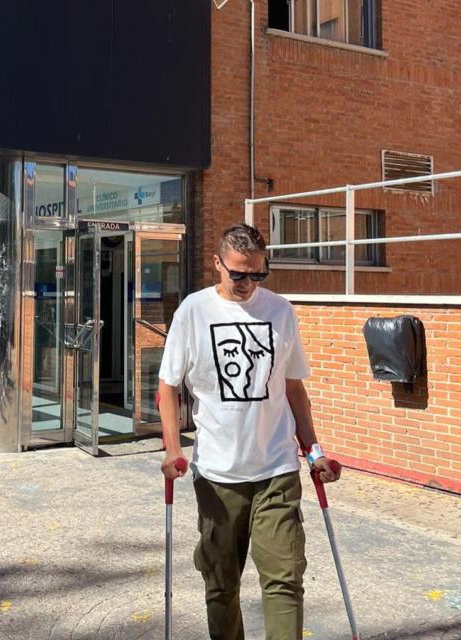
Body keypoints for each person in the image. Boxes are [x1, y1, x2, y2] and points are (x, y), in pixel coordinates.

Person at [158, 223, 341, 640]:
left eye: (258, 274)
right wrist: (172, 450)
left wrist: (314, 451)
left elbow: (293, 388)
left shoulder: (280, 311)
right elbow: (167, 387)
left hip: (276, 469)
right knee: (221, 584)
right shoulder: (193, 311)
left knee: (284, 578)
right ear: (217, 264)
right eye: (238, 273)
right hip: (217, 475)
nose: (247, 283)